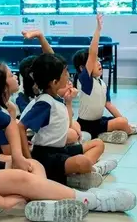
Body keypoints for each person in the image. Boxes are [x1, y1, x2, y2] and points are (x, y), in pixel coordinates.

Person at [0, 54, 137, 222]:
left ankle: (42, 205)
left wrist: (18, 157)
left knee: (31, 165)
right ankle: (92, 200)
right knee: (21, 180)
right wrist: (2, 202)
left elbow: (9, 125)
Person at [19, 53, 118, 190]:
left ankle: (87, 171)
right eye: (65, 73)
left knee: (98, 144)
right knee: (82, 162)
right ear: (54, 82)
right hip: (47, 156)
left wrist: (68, 102)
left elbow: (66, 123)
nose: (69, 76)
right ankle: (88, 171)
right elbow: (20, 127)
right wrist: (28, 158)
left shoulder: (56, 99)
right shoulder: (44, 103)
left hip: (61, 150)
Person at [73, 14, 137, 144]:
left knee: (122, 120)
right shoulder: (85, 82)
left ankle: (120, 130)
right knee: (121, 123)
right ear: (82, 68)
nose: (99, 63)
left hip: (98, 120)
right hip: (87, 124)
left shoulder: (101, 83)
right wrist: (98, 30)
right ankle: (124, 131)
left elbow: (108, 104)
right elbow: (92, 53)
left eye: (98, 60)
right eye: (95, 61)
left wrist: (124, 121)